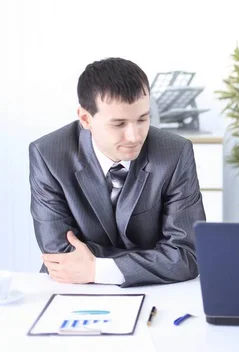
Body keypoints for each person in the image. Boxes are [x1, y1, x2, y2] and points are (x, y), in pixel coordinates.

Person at [29, 57, 205, 287]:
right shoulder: (48, 155)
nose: (135, 136)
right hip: (72, 289)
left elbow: (187, 256)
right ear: (85, 118)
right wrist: (152, 259)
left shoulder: (175, 152)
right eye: (119, 124)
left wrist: (98, 269)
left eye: (143, 119)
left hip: (156, 293)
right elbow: (61, 256)